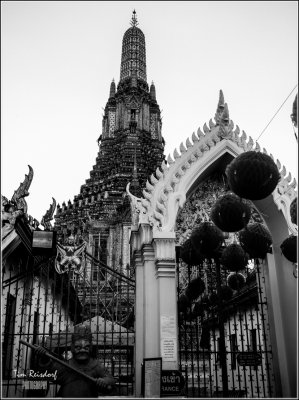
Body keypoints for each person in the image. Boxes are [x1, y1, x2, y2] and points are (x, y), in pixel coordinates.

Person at [34, 325, 115, 398]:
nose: (82, 350)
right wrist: (45, 358)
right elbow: (51, 373)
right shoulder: (66, 365)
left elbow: (111, 379)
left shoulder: (96, 365)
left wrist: (104, 381)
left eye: (86, 347)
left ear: (91, 347)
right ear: (72, 347)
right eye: (78, 347)